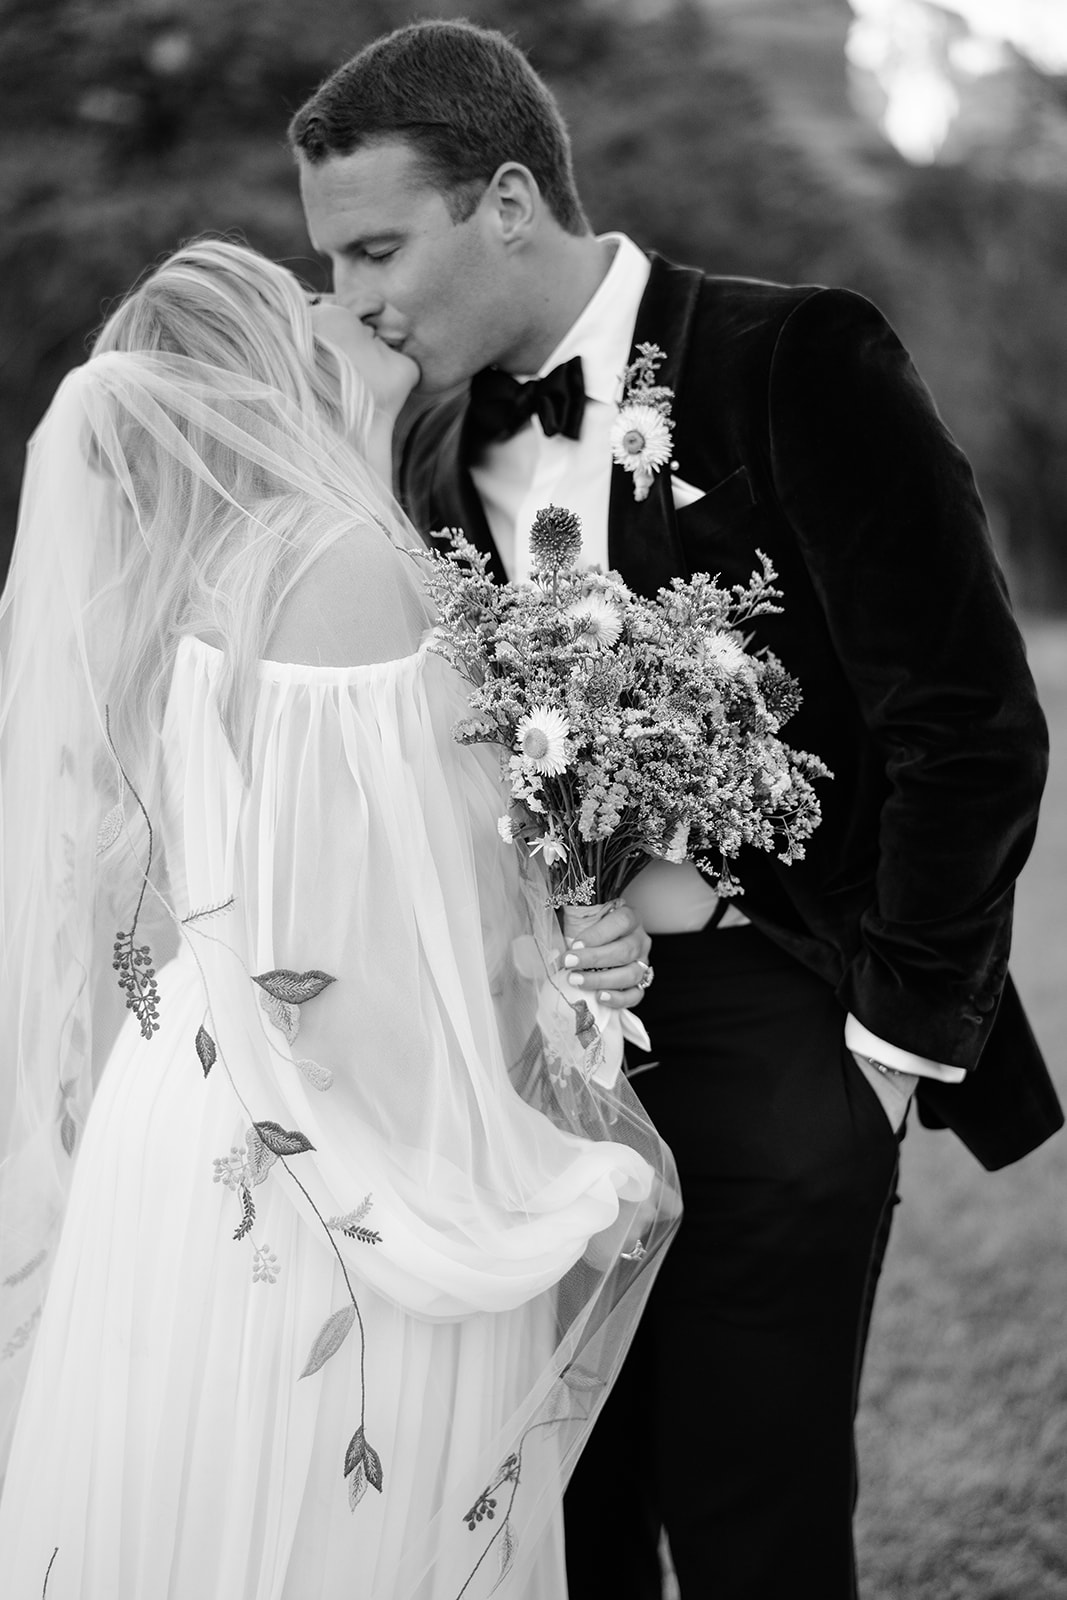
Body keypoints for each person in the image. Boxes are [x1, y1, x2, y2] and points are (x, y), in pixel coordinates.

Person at [288, 21, 1062, 1600]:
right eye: (335, 259)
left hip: (780, 1033)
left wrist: (889, 1053)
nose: (355, 297)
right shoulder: (428, 442)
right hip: (531, 1094)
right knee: (561, 1531)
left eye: (377, 247)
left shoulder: (796, 356)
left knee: (754, 1526)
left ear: (509, 199)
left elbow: (967, 720)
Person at [0, 238, 680, 1600]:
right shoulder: (350, 566)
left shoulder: (181, 581)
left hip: (178, 1107)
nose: (344, 302)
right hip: (316, 1118)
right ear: (274, 369)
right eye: (307, 296)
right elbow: (365, 939)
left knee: (198, 1508)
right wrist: (510, 1171)